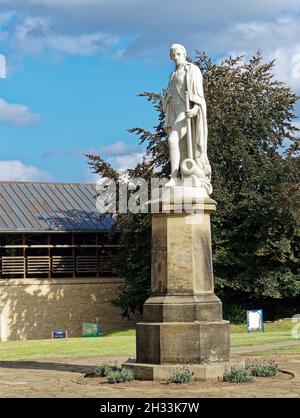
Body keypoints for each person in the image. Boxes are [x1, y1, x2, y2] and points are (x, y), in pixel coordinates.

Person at [163, 44, 211, 193]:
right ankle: (184, 176)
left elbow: (199, 96)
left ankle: (173, 176)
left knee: (172, 139)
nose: (175, 57)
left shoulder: (192, 70)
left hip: (186, 110)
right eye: (173, 55)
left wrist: (196, 109)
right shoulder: (172, 75)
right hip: (175, 113)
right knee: (182, 147)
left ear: (183, 54)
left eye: (178, 54)